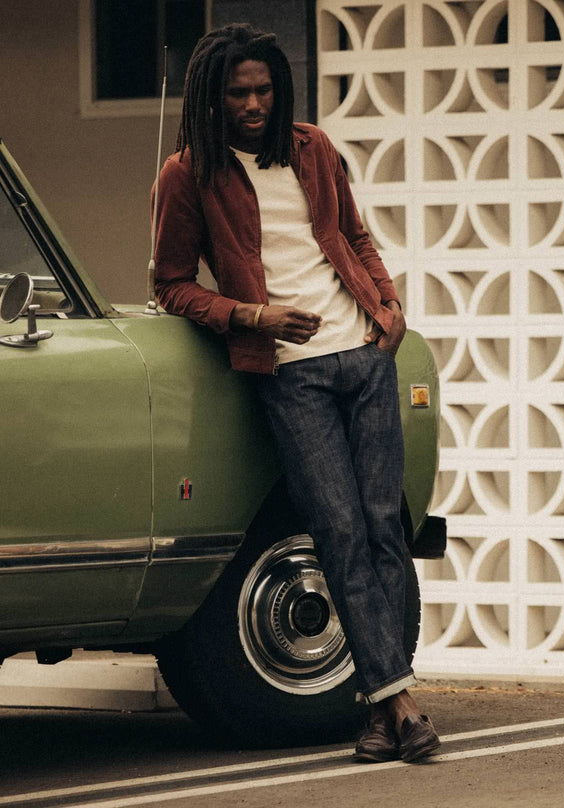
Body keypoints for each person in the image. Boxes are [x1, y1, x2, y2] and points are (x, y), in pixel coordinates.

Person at [152, 22, 440, 764]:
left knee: (383, 530)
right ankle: (401, 704)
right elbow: (172, 285)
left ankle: (383, 707)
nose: (253, 105)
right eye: (237, 93)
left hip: (365, 357)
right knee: (338, 532)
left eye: (263, 90)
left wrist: (389, 305)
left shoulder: (313, 147)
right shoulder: (186, 174)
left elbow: (355, 236)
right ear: (210, 98)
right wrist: (253, 317)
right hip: (290, 373)